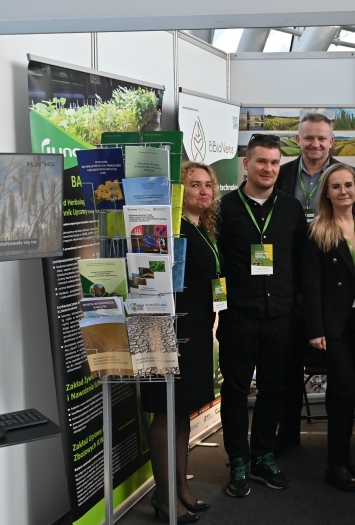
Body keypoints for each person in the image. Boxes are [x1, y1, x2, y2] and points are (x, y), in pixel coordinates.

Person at [274, 113, 355, 454]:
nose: (315, 144)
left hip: (334, 290)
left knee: (343, 376)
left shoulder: (350, 176)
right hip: (287, 283)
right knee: (288, 365)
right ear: (297, 141)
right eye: (308, 138)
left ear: (332, 141)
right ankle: (288, 435)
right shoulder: (281, 175)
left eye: (321, 138)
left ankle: (338, 446)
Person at [216, 134, 307, 497]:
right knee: (236, 391)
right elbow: (217, 263)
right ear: (246, 164)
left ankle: (263, 456)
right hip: (239, 318)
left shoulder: (291, 208)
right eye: (261, 161)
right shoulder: (224, 209)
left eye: (274, 162)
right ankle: (238, 460)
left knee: (274, 389)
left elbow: (299, 261)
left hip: (280, 317)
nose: (268, 168)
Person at [141, 162, 218, 523]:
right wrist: (166, 333)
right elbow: (149, 280)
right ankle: (163, 496)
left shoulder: (202, 227)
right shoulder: (170, 227)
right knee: (165, 409)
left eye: (208, 185)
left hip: (197, 331)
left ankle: (180, 489)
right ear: (178, 191)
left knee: (182, 409)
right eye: (194, 185)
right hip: (168, 332)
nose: (203, 191)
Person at [303, 164, 355, 493]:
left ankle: (344, 455)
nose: (343, 191)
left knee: (351, 392)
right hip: (333, 323)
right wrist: (315, 328)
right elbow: (310, 285)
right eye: (336, 186)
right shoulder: (318, 229)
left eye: (349, 185)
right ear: (326, 193)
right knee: (342, 390)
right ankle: (334, 465)